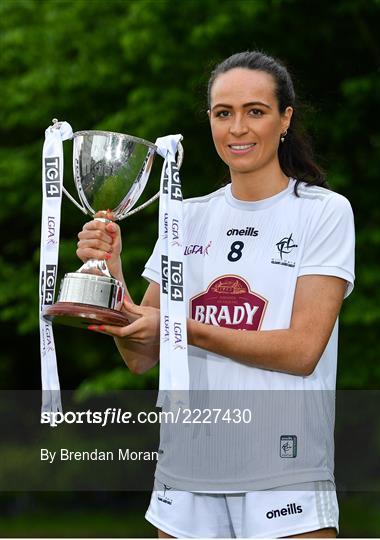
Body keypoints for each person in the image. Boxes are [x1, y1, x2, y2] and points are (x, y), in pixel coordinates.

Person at [77, 51, 355, 538]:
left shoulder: (323, 212)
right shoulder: (184, 218)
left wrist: (180, 327)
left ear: (285, 119)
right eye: (223, 113)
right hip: (186, 472)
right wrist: (111, 272)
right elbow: (142, 355)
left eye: (255, 111)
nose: (238, 129)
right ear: (209, 121)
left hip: (282, 467)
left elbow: (302, 350)